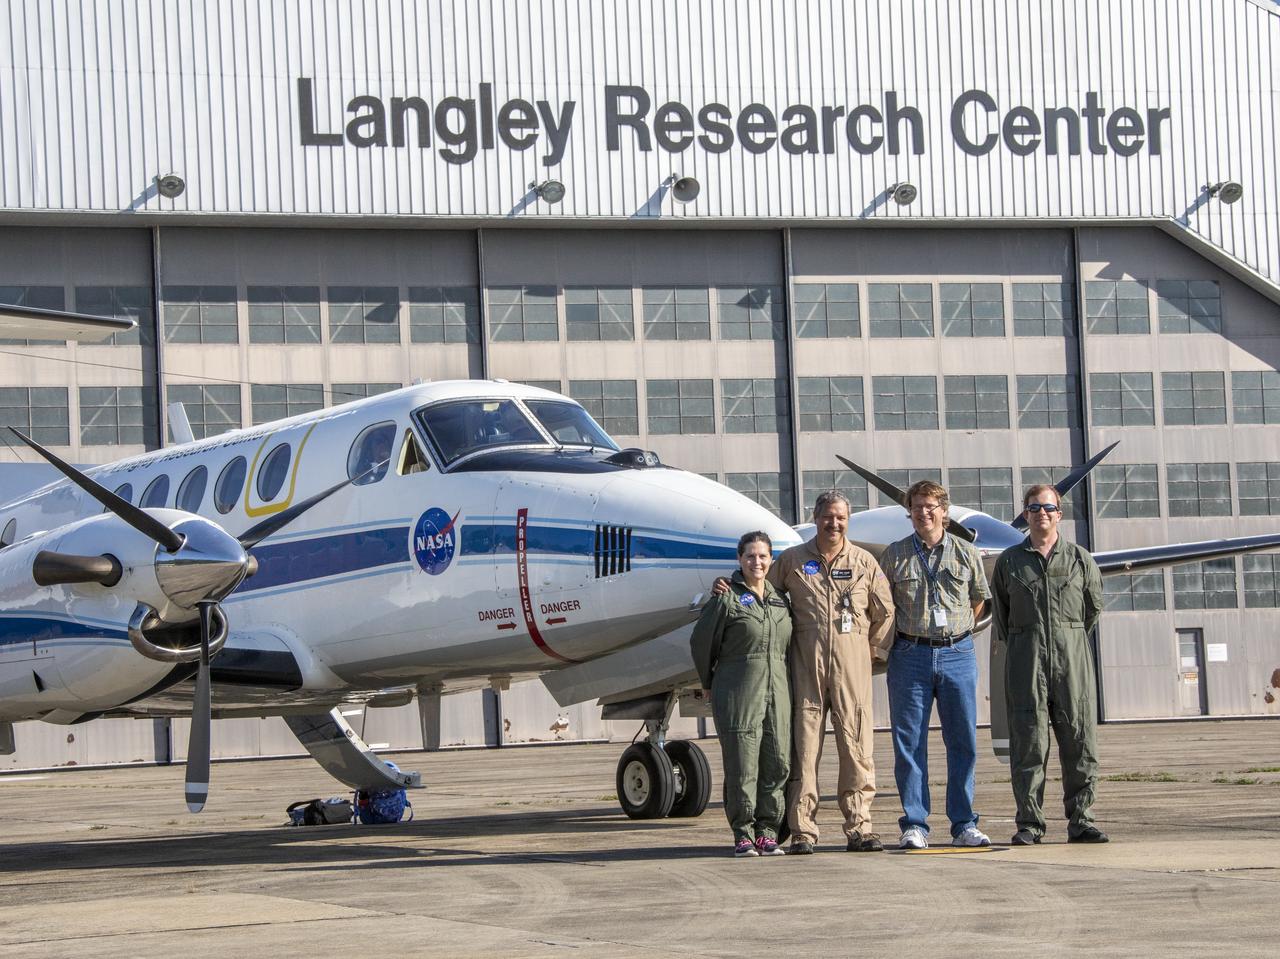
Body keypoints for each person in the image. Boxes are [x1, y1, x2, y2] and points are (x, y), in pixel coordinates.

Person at [717, 490, 894, 853]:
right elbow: (764, 596)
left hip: (851, 672)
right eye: (828, 516)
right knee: (802, 752)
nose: (834, 523)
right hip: (804, 671)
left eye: (841, 517)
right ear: (816, 517)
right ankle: (802, 830)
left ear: (848, 520)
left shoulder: (863, 562)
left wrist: (870, 654)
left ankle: (859, 827)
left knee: (856, 749)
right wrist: (727, 587)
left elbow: (885, 612)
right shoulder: (793, 561)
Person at [991, 484, 1107, 845]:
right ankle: (1030, 823)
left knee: (1079, 741)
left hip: (1071, 659)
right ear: (1025, 515)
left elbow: (1093, 608)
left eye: (1048, 507)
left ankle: (1082, 820)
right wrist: (1033, 640)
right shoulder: (1010, 561)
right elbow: (1002, 615)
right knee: (1028, 744)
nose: (1042, 513)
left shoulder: (1079, 559)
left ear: (1060, 513)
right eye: (1034, 508)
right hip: (1026, 660)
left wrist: (1065, 637)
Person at [879, 480, 991, 850]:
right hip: (910, 655)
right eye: (916, 507)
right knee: (909, 742)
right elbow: (881, 605)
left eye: (931, 507)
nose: (924, 513)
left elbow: (978, 601)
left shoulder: (965, 553)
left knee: (963, 741)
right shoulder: (894, 555)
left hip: (958, 653)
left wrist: (954, 634)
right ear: (908, 512)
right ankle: (915, 823)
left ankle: (963, 824)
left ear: (944, 510)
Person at [691, 531, 793, 857]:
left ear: (771, 560)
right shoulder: (726, 597)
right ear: (740, 559)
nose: (757, 562)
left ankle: (767, 832)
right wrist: (707, 680)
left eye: (763, 556)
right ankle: (743, 834)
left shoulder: (780, 599)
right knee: (742, 766)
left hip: (777, 689)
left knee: (777, 762)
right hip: (738, 691)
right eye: (750, 556)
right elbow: (701, 641)